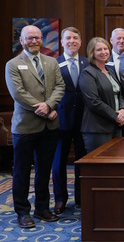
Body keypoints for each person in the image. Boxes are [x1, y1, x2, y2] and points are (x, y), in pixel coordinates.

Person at [5, 25, 65, 228]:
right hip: (25, 127)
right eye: (30, 38)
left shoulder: (51, 61)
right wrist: (43, 108)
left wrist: (49, 106)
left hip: (49, 126)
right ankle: (22, 212)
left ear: (42, 39)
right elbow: (18, 93)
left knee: (44, 170)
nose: (34, 41)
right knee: (21, 171)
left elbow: (60, 86)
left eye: (37, 38)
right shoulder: (13, 64)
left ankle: (42, 208)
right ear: (22, 40)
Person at [53, 27, 88, 214]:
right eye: (68, 38)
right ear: (62, 41)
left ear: (80, 42)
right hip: (61, 119)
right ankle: (60, 199)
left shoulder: (87, 63)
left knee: (82, 161)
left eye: (75, 38)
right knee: (59, 162)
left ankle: (82, 197)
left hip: (84, 121)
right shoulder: (53, 63)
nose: (72, 41)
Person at [79, 37, 124, 153]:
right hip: (97, 129)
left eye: (106, 49)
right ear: (92, 53)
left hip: (116, 126)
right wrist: (116, 117)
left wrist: (123, 110)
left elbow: (119, 94)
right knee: (99, 168)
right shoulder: (88, 73)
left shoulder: (110, 71)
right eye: (99, 50)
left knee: (116, 165)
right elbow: (94, 102)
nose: (104, 52)